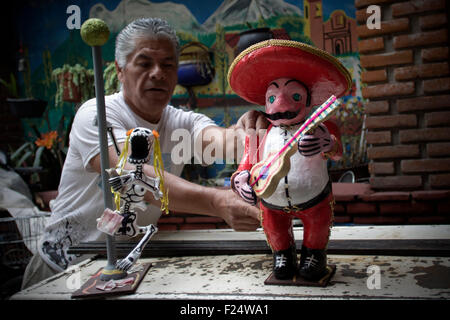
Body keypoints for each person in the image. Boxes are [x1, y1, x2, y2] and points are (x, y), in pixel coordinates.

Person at [21, 17, 269, 289]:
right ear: (120, 70)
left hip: (124, 271)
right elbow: (134, 178)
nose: (158, 73)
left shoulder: (180, 122)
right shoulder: (97, 114)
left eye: (167, 65)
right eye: (144, 63)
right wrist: (218, 202)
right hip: (62, 270)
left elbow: (222, 140)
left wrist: (255, 131)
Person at [228, 39, 351, 281]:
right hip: (271, 202)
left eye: (294, 95)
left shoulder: (321, 127)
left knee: (317, 227)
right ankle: (282, 254)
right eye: (272, 98)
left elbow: (337, 151)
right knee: (275, 230)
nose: (281, 105)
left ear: (307, 98)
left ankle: (314, 254)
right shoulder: (260, 129)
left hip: (315, 198)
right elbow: (247, 161)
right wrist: (240, 178)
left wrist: (327, 143)